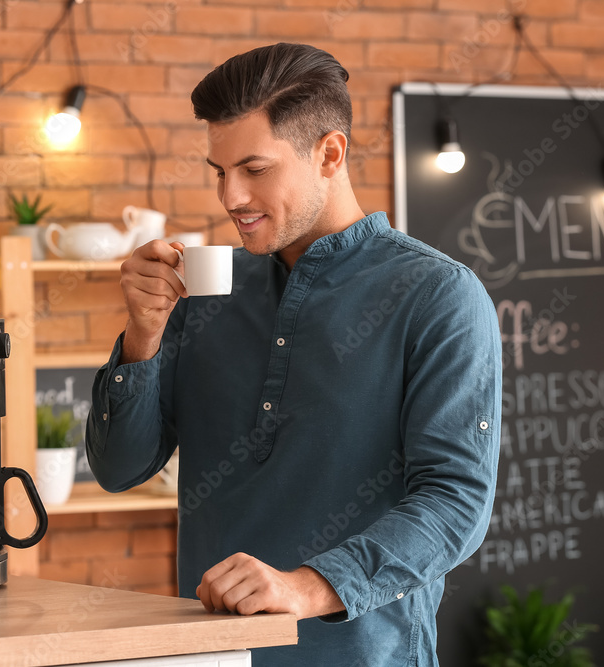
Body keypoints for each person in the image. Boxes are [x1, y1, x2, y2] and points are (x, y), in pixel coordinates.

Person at [86, 42, 502, 666]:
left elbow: (455, 500)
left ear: (329, 153)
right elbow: (120, 469)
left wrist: (303, 588)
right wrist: (142, 335)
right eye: (219, 171)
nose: (231, 197)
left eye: (254, 169)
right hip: (213, 658)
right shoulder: (206, 292)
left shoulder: (438, 295)